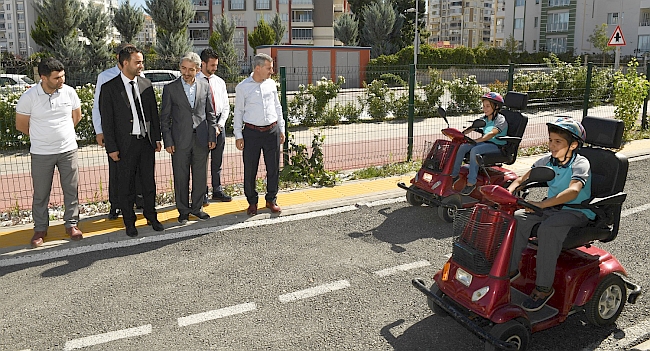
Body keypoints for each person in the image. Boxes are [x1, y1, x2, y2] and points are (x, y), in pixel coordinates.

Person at [507, 117, 592, 312]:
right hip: (553, 208)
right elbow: (523, 177)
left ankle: (544, 288)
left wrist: (542, 204)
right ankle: (511, 269)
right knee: (519, 216)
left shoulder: (580, 163)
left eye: (558, 142)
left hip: (577, 211)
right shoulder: (548, 161)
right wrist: (510, 190)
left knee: (547, 228)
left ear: (573, 145)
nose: (551, 145)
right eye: (550, 140)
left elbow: (574, 191)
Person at [15, 58, 83, 247]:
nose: (61, 80)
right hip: (41, 153)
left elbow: (76, 117)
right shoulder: (29, 97)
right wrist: (41, 137)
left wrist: (63, 136)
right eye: (56, 78)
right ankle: (40, 229)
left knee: (71, 189)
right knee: (41, 193)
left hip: (68, 150)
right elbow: (21, 124)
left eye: (63, 76)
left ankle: (72, 225)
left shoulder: (69, 92)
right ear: (43, 77)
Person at [99, 46, 164, 237]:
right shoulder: (109, 88)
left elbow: (153, 114)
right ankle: (129, 222)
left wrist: (157, 137)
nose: (141, 65)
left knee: (148, 183)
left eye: (142, 61)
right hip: (124, 145)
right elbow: (107, 121)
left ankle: (151, 216)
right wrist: (111, 147)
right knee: (125, 185)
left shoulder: (146, 84)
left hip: (146, 143)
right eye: (137, 62)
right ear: (125, 63)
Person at [160, 52, 217, 224]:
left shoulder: (204, 86)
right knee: (181, 176)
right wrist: (168, 141)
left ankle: (197, 208)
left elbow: (210, 113)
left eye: (191, 69)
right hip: (179, 141)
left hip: (201, 139)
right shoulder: (170, 88)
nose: (186, 72)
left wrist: (212, 135)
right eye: (183, 68)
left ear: (198, 69)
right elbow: (164, 118)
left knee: (200, 176)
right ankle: (183, 210)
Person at [233, 53, 285, 216]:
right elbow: (238, 111)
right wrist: (237, 135)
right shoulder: (242, 87)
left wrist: (281, 129)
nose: (272, 71)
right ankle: (252, 202)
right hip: (251, 133)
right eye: (269, 68)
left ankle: (271, 199)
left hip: (272, 131)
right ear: (258, 68)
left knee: (273, 168)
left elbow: (278, 107)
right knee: (250, 169)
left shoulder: (271, 85)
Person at [92, 42, 138, 220]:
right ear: (122, 59)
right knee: (117, 170)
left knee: (137, 171)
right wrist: (100, 131)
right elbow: (98, 106)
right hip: (116, 134)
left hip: (136, 133)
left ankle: (136, 201)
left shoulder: (138, 75)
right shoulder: (106, 77)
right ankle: (116, 205)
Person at [450, 92, 508, 195]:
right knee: (463, 147)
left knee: (474, 150)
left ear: (496, 107)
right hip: (485, 143)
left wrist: (476, 141)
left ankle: (471, 182)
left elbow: (491, 134)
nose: (484, 109)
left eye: (488, 106)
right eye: (483, 106)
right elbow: (473, 127)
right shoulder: (484, 119)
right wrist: (462, 134)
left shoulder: (501, 120)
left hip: (496, 146)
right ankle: (454, 175)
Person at [198, 48, 232, 204]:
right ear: (203, 63)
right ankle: (202, 192)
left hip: (219, 124)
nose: (214, 68)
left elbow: (226, 106)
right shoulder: (195, 81)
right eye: (212, 65)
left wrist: (220, 125)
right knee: (201, 160)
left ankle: (217, 190)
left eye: (216, 65)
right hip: (202, 124)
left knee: (217, 160)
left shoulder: (219, 82)